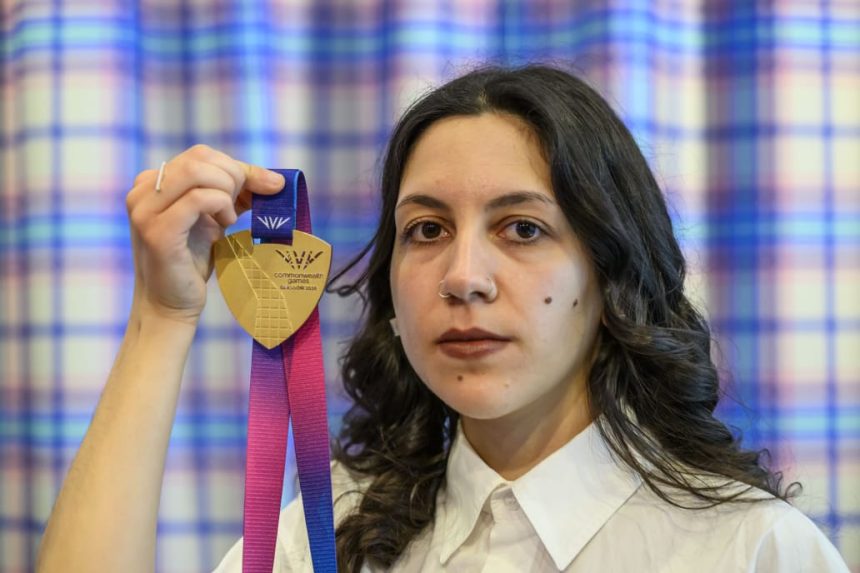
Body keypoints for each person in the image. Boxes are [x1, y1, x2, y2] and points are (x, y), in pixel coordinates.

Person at [37, 65, 849, 573]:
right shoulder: (318, 542)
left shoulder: (754, 551)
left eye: (522, 228)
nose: (463, 277)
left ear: (610, 276)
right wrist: (162, 314)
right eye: (426, 230)